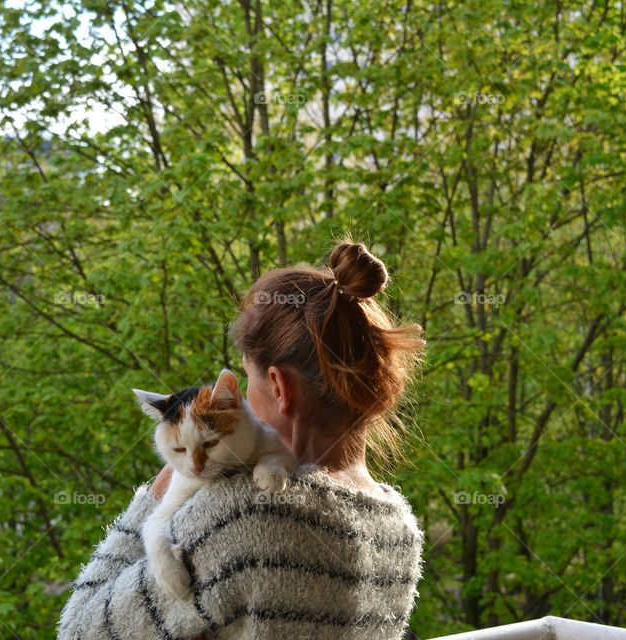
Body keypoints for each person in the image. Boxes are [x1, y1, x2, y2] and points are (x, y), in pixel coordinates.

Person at [57, 241, 426, 640]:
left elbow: (80, 630)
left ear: (278, 387)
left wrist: (157, 494)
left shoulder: (243, 513)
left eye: (248, 380)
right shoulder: (399, 527)